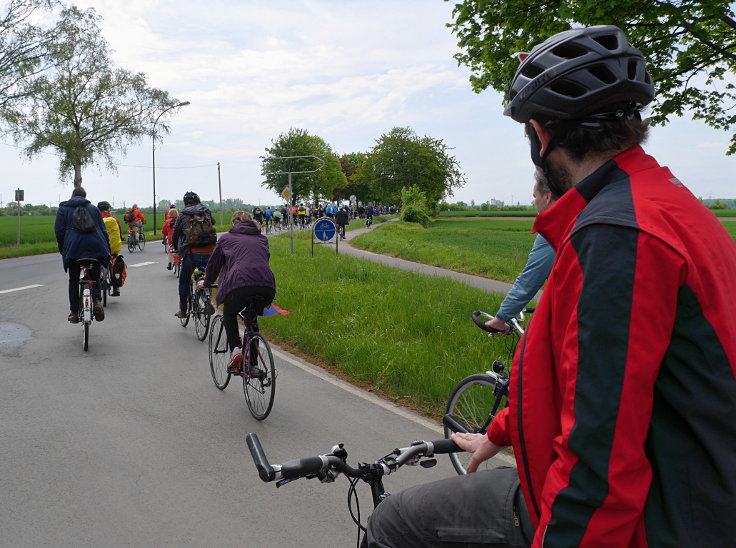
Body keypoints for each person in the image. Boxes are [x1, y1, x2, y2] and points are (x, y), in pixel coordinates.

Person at [366, 25, 736, 548]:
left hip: (658, 519)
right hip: (691, 494)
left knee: (395, 521)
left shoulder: (616, 234)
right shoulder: (664, 204)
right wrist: (502, 430)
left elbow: (599, 466)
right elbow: (599, 378)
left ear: (542, 136)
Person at [198, 210, 276, 374]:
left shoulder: (226, 238)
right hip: (267, 285)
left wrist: (207, 282)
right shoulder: (262, 239)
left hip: (240, 284)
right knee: (252, 318)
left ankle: (236, 351)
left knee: (229, 313)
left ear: (234, 223)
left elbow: (214, 264)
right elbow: (261, 260)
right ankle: (253, 365)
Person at [486, 177, 557, 333]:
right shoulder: (580, 218)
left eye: (534, 197)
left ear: (547, 196)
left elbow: (530, 279)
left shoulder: (554, 229)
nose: (533, 203)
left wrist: (501, 318)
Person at [54, 187, 110, 323]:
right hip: (96, 247)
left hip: (73, 249)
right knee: (95, 276)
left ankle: (73, 312)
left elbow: (59, 232)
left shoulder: (63, 209)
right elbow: (103, 230)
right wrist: (106, 250)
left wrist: (64, 250)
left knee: (73, 279)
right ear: (85, 197)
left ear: (72, 195)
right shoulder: (93, 209)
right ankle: (96, 301)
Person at [171, 191, 217, 317]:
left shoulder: (183, 215)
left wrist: (176, 248)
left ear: (185, 202)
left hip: (191, 253)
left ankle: (183, 311)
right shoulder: (206, 211)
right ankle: (207, 299)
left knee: (184, 281)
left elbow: (175, 234)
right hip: (209, 252)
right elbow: (213, 223)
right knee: (207, 278)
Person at [97, 201, 124, 297]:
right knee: (115, 261)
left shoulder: (96, 218)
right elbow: (119, 231)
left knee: (97, 262)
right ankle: (116, 288)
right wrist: (121, 238)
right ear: (108, 209)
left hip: (100, 247)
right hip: (113, 247)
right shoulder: (114, 219)